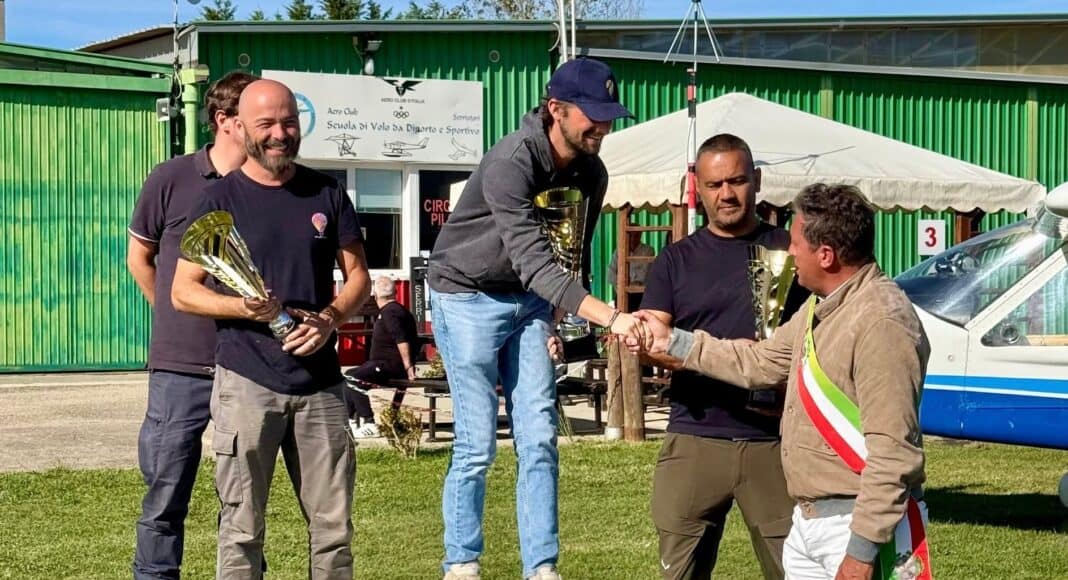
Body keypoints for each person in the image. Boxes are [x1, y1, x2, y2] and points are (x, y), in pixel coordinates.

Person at [632, 184, 931, 580]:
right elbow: (759, 361)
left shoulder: (882, 323)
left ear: (826, 255)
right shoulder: (820, 306)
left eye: (795, 244)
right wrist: (673, 341)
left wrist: (860, 553)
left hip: (856, 523)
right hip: (811, 519)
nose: (789, 253)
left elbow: (893, 455)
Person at [427, 57, 647, 580]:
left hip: (527, 300)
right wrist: (611, 319)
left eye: (609, 116)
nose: (603, 127)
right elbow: (533, 258)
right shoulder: (511, 161)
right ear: (556, 109)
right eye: (592, 116)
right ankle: (462, 562)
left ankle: (542, 567)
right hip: (466, 295)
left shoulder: (593, 172)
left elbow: (570, 257)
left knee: (540, 437)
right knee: (478, 444)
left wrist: (550, 318)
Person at [171, 79, 371, 580]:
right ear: (241, 127)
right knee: (241, 530)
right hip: (246, 382)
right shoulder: (219, 198)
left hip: (321, 385)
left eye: (289, 122)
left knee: (334, 530)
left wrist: (330, 320)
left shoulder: (327, 191)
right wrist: (246, 307)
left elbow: (359, 279)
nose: (280, 134)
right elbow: (183, 291)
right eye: (267, 124)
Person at [639, 134, 799, 580]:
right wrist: (728, 358)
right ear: (698, 188)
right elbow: (654, 342)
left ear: (758, 180)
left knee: (798, 571)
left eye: (738, 180)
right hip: (695, 436)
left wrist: (773, 365)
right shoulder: (675, 261)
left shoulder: (793, 252)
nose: (726, 193)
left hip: (775, 441)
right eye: (714, 184)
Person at [126, 70, 257, 580]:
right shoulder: (171, 178)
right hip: (179, 365)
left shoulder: (267, 184)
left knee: (243, 495)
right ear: (225, 121)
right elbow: (141, 258)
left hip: (246, 362)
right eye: (255, 118)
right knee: (165, 487)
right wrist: (173, 311)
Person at [344, 275, 420, 439]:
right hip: (381, 364)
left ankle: (369, 422)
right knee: (348, 375)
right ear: (397, 292)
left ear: (375, 295)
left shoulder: (391, 313)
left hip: (389, 366)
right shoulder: (397, 310)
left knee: (355, 378)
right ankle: (349, 421)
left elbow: (401, 339)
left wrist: (408, 366)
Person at [606, 229, 654, 310]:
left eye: (636, 236)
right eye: (631, 235)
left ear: (640, 235)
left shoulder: (647, 250)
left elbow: (644, 275)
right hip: (622, 292)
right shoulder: (620, 251)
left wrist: (628, 281)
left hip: (641, 293)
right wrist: (620, 283)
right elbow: (611, 274)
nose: (633, 238)